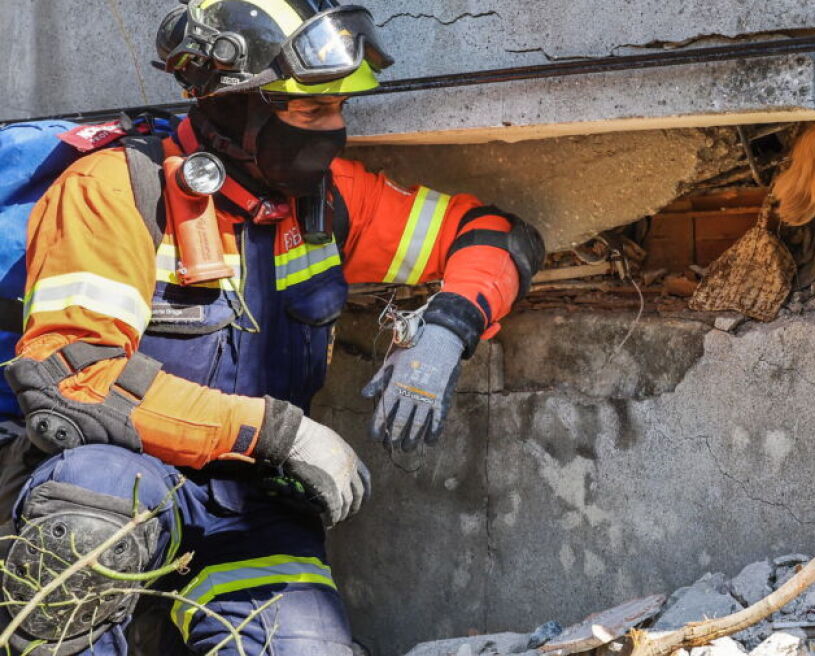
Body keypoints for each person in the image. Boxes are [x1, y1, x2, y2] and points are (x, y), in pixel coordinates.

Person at [0, 0, 543, 653]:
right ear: (235, 105)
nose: (333, 129)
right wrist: (281, 435)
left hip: (250, 502)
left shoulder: (324, 200)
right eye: (310, 111)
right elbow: (77, 380)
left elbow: (494, 234)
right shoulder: (114, 190)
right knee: (83, 523)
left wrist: (450, 326)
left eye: (340, 108)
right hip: (122, 477)